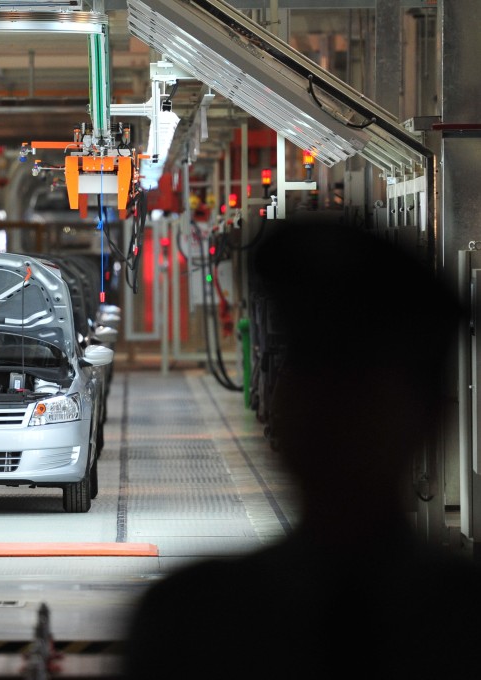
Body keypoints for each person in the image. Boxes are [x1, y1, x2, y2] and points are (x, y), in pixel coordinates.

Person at [120, 218, 481, 678]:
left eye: (359, 394)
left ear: (430, 417)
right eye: (314, 381)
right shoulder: (463, 620)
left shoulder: (197, 619)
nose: (333, 421)